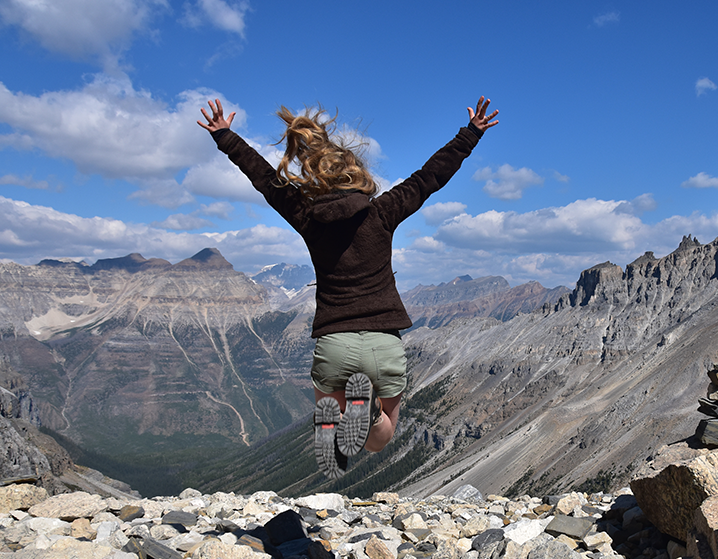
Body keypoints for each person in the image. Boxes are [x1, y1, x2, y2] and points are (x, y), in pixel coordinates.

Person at [198, 96, 499, 479]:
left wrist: (225, 136)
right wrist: (470, 134)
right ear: (358, 176)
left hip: (334, 342)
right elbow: (429, 177)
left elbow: (265, 180)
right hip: (383, 343)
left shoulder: (307, 217)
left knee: (329, 402)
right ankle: (371, 417)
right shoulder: (383, 212)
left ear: (317, 179)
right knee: (381, 437)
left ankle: (337, 420)